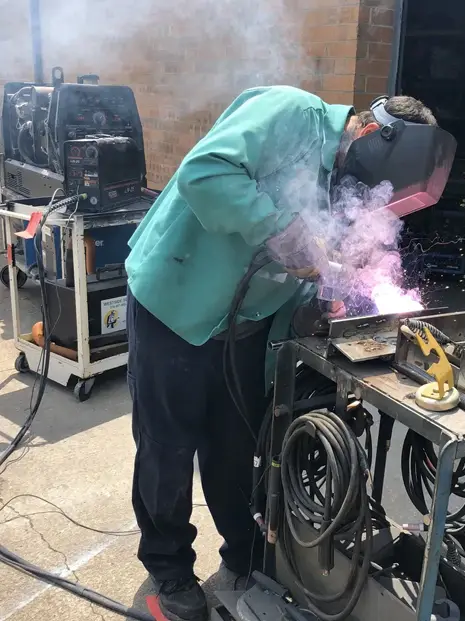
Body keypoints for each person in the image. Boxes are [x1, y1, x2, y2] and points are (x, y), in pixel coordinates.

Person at [125, 85, 438, 621]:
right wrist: (282, 230)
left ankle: (243, 556)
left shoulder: (341, 181)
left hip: (244, 326)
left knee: (236, 448)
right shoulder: (291, 115)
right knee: (168, 449)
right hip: (175, 305)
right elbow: (205, 173)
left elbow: (317, 265)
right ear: (367, 136)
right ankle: (169, 568)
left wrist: (343, 291)